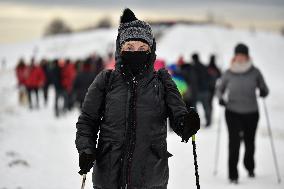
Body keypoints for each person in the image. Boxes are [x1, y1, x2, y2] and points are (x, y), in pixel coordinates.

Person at [75, 8, 200, 189]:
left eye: (142, 48)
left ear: (151, 50)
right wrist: (86, 149)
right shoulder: (106, 80)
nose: (136, 52)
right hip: (109, 176)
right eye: (129, 47)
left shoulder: (163, 82)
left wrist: (187, 123)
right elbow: (87, 121)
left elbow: (179, 119)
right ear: (120, 49)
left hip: (150, 178)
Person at [216, 43, 269, 184]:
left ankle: (249, 166)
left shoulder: (255, 72)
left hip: (251, 112)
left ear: (247, 56)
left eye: (242, 55)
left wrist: (263, 91)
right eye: (238, 55)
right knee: (234, 143)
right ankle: (233, 174)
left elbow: (264, 88)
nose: (240, 58)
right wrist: (221, 98)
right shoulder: (228, 72)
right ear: (235, 56)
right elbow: (219, 90)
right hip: (232, 112)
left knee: (249, 142)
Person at [192, 53, 212, 127]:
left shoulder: (193, 68)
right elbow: (209, 77)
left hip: (197, 91)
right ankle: (208, 121)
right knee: (206, 107)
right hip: (205, 90)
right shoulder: (204, 66)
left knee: (194, 108)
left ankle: (196, 122)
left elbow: (192, 80)